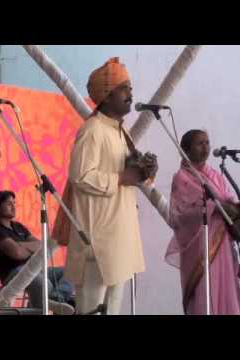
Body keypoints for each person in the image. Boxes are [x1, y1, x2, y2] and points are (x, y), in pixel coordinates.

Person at [61, 57, 157, 315]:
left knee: (113, 308)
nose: (131, 93)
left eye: (130, 88)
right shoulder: (93, 130)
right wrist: (120, 178)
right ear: (107, 94)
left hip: (118, 237)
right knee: (92, 308)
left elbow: (128, 173)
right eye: (124, 88)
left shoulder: (118, 131)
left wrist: (145, 173)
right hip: (98, 239)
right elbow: (80, 176)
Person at [165, 129, 240, 315]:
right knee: (206, 293)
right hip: (199, 248)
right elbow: (179, 215)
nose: (205, 147)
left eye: (207, 142)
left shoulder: (214, 174)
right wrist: (213, 205)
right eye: (200, 143)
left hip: (222, 244)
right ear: (186, 149)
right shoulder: (181, 177)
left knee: (225, 289)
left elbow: (228, 201)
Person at [0, 191, 75, 315]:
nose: (13, 206)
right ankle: (51, 304)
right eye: (8, 204)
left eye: (14, 203)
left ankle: (56, 298)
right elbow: (16, 253)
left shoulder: (18, 226)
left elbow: (40, 246)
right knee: (44, 284)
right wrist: (24, 248)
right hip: (13, 273)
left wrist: (20, 245)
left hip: (34, 268)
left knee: (71, 271)